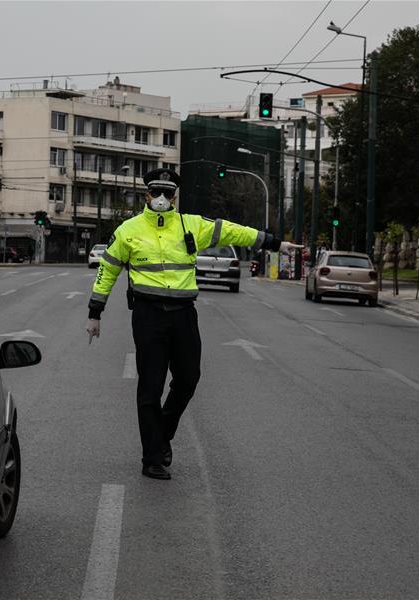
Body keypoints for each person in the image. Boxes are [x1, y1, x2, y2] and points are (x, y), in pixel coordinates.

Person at [85, 167, 302, 480]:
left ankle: (163, 435)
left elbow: (233, 231)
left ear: (175, 196)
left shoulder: (192, 225)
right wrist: (96, 311)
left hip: (184, 314)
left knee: (188, 379)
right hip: (148, 316)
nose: (161, 198)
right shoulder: (128, 230)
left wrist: (274, 243)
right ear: (146, 194)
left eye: (167, 193)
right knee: (150, 387)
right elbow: (107, 271)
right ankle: (152, 459)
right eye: (156, 192)